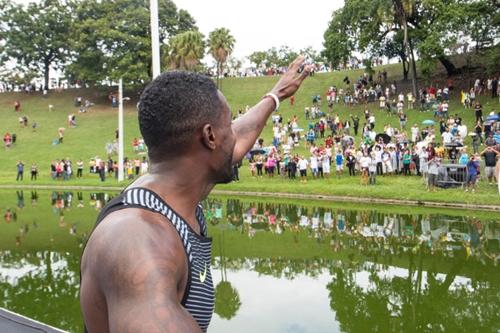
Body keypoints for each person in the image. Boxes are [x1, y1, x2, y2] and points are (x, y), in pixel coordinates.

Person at [80, 57, 312, 333]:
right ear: (210, 137)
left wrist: (276, 95)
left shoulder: (171, 190)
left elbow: (238, 134)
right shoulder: (137, 241)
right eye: (228, 126)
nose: (234, 135)